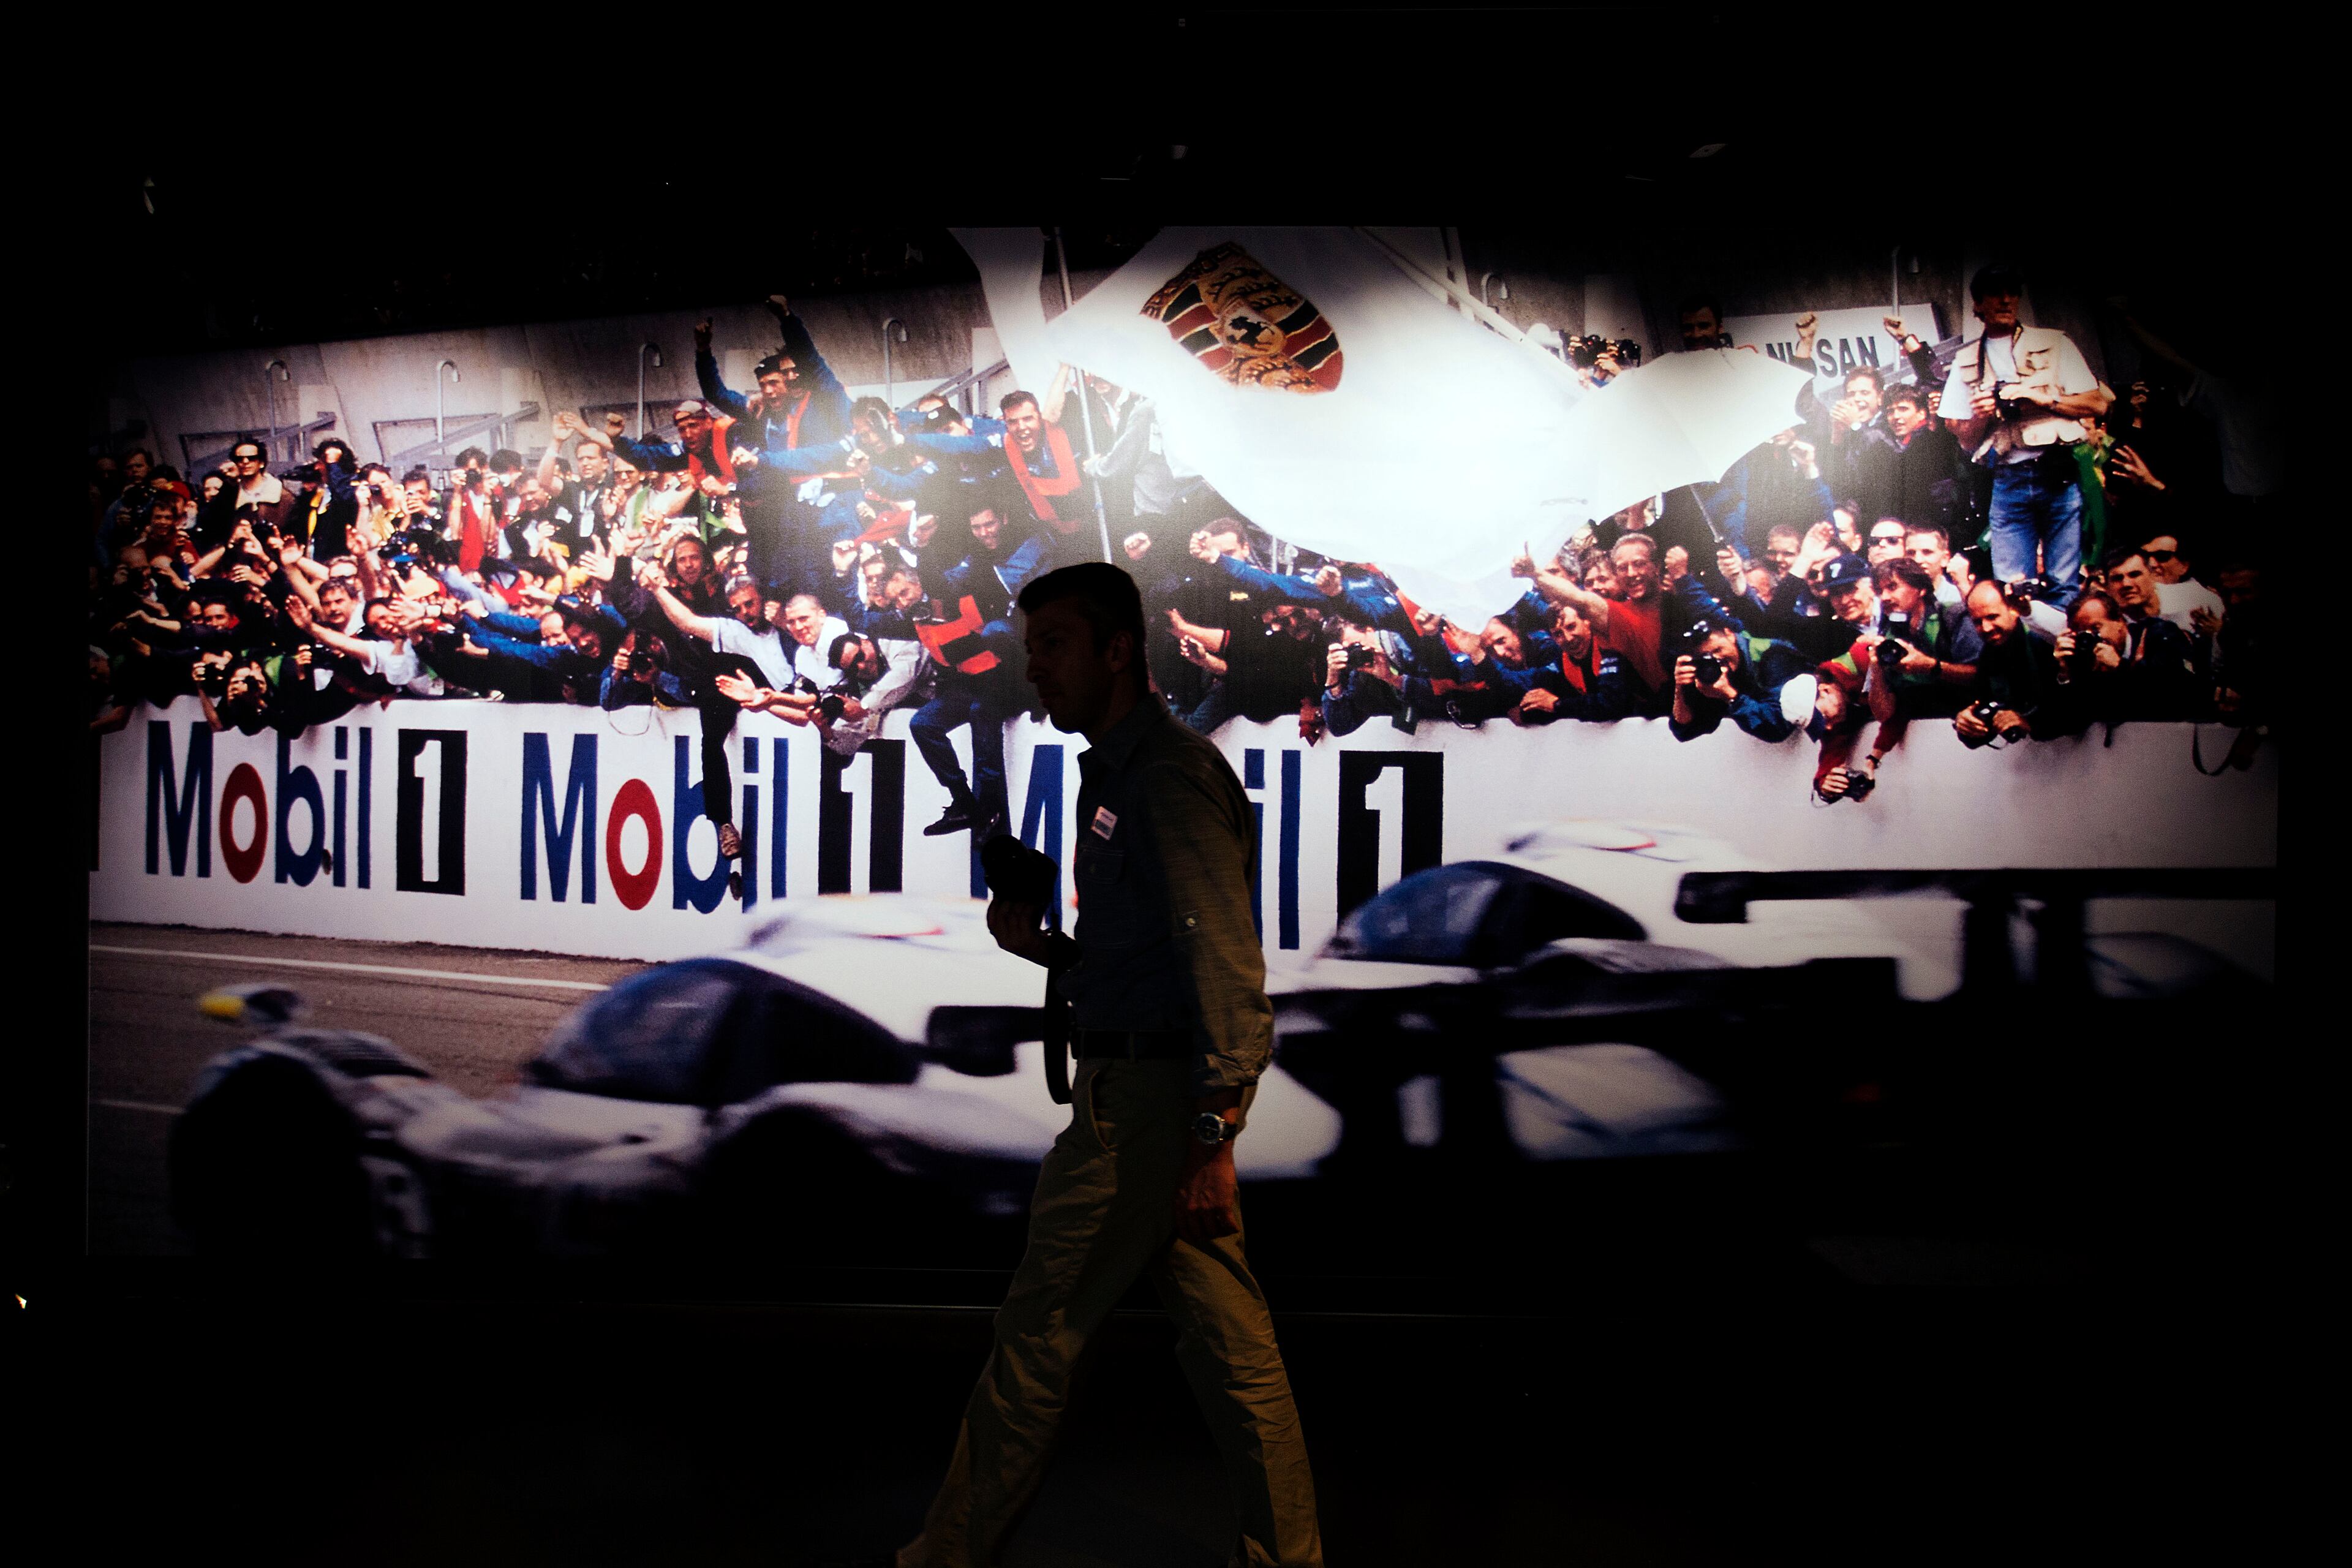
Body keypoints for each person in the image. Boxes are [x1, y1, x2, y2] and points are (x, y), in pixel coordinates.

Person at [892, 560, 1322, 1568]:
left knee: (1039, 1331)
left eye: (1053, 646)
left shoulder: (1166, 774)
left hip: (1146, 1113)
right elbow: (1142, 965)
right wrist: (1036, 942)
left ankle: (944, 1559)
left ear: (1117, 649)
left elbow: (1224, 962)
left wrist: (1214, 1135)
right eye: (1031, 646)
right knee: (1233, 1351)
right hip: (1150, 1093)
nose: (1032, 668)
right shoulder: (1120, 771)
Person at [1937, 264, 2113, 608]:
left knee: (2065, 584)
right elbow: (1965, 439)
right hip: (2008, 479)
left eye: (2012, 292)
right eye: (1995, 293)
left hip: (2057, 472)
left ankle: (2062, 657)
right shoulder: (1966, 360)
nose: (2005, 300)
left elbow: (2098, 404)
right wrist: (1981, 412)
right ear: (1978, 305)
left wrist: (2042, 399)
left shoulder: (2054, 342)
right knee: (2012, 588)